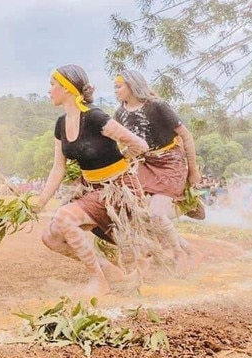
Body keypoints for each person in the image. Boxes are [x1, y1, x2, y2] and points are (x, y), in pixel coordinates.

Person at [34, 64, 154, 298]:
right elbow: (58, 169)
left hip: (118, 189)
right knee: (50, 237)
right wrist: (39, 202)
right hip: (91, 189)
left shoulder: (95, 117)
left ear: (67, 88)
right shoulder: (60, 123)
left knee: (65, 217)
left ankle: (99, 281)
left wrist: (123, 161)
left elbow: (139, 145)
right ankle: (110, 271)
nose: (49, 90)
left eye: (52, 84)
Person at [113, 70, 203, 273]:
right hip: (144, 164)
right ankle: (191, 252)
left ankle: (178, 254)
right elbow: (115, 142)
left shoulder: (158, 107)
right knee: (143, 215)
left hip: (171, 162)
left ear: (132, 86)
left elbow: (186, 137)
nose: (116, 91)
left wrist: (193, 170)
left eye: (119, 86)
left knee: (156, 214)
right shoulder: (120, 114)